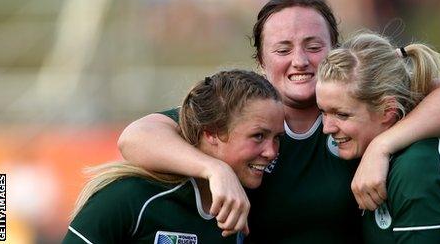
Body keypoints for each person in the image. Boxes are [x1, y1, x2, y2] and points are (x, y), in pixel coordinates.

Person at [117, 0, 440, 242]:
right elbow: (135, 136)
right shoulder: (240, 115)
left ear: (335, 51)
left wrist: (383, 147)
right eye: (283, 49)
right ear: (261, 62)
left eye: (314, 46)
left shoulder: (362, 108)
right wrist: (213, 170)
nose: (300, 60)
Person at [63, 70, 285, 243]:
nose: (272, 152)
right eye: (258, 136)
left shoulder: (252, 200)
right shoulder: (131, 196)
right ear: (211, 133)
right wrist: (217, 169)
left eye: (277, 138)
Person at [316, 31, 440, 243]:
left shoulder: (416, 167)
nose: (327, 128)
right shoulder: (388, 153)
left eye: (342, 114)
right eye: (323, 112)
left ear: (387, 111)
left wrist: (380, 146)